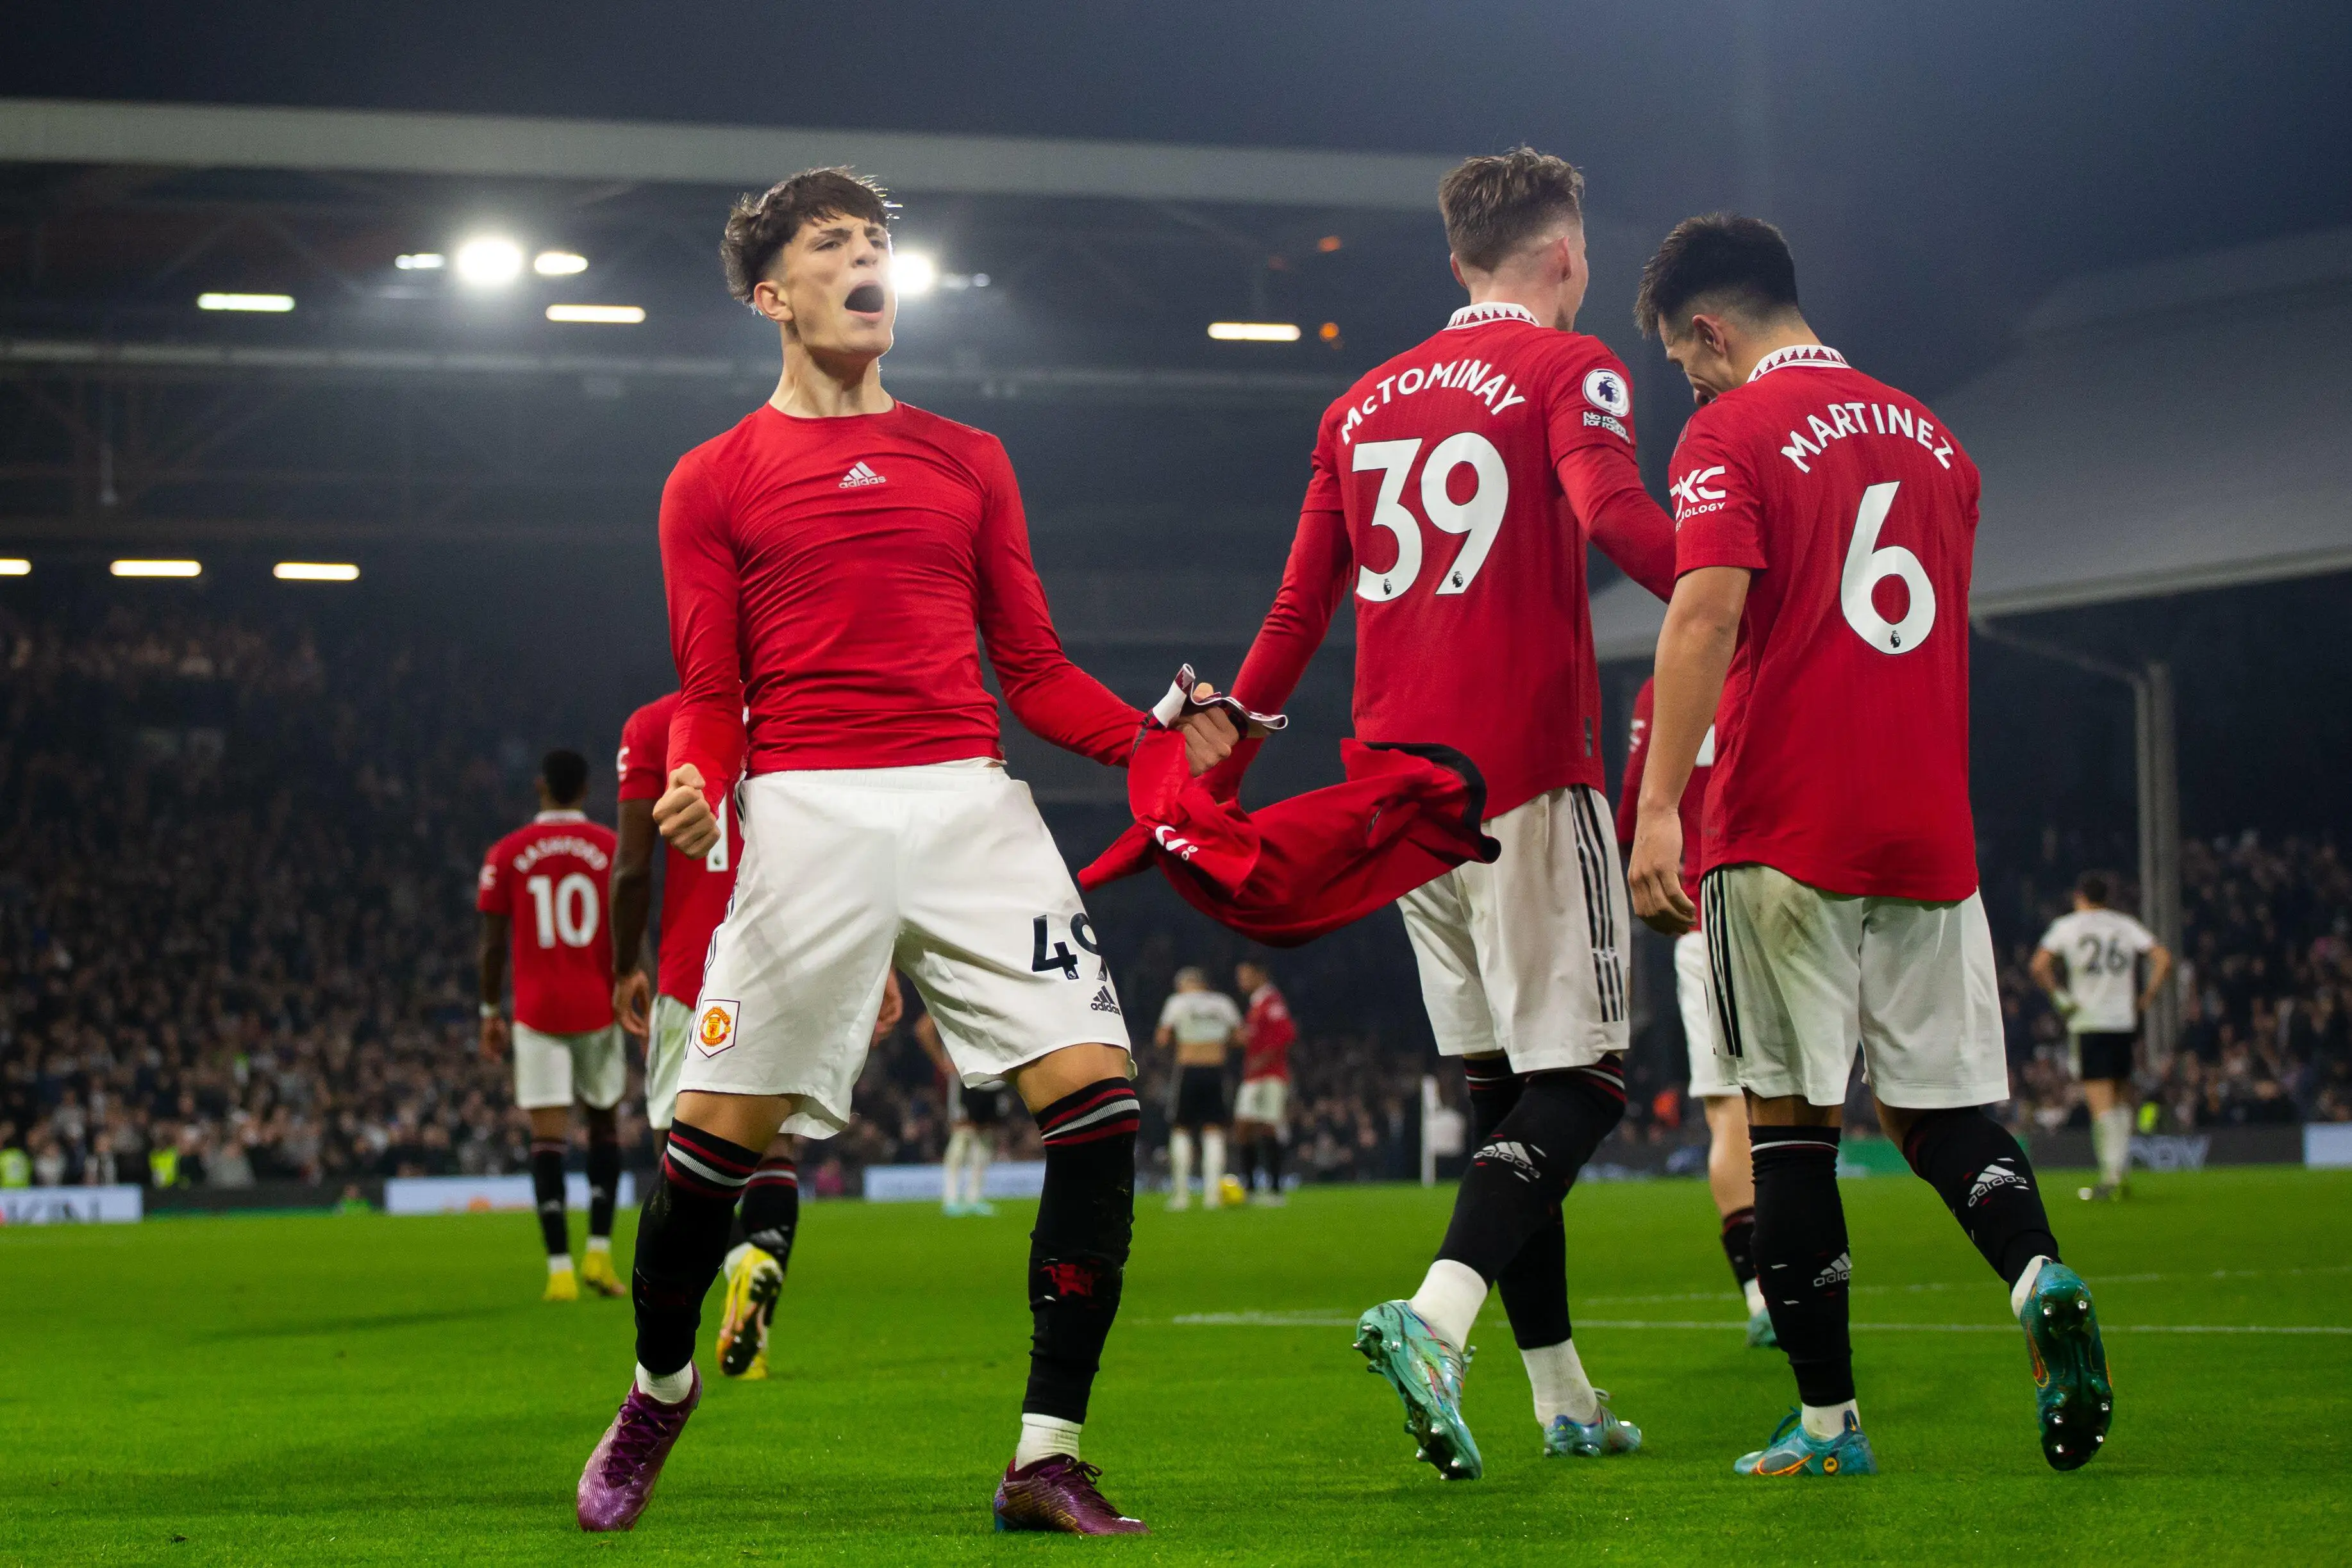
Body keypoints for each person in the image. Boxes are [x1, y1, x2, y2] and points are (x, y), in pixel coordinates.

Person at [574, 167, 1236, 1537]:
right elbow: (707, 687)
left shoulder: (967, 456)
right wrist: (700, 782)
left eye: (880, 242)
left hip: (968, 806)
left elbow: (1035, 668)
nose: (869, 261)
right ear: (772, 295)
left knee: (1102, 1104)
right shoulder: (711, 477)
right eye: (835, 246)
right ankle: (657, 1386)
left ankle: (1043, 1453)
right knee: (706, 1146)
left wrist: (1150, 745)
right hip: (809, 809)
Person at [1626, 213, 2112, 1479]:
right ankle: (2037, 1272)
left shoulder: (1725, 431)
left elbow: (1702, 614)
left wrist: (1661, 801)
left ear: (1709, 329)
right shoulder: (1937, 439)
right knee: (1941, 1111)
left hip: (1783, 818)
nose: (1692, 383)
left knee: (1787, 1119)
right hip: (1926, 827)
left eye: (1687, 361)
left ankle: (1829, 1424)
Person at [1230, 147, 1676, 1478]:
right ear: (1565, 254)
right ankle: (1435, 1318)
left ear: (1455, 261)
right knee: (1586, 1082)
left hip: (1397, 798)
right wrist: (1745, 579)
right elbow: (1616, 518)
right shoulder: (1571, 365)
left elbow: (1298, 614)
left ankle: (1561, 1393)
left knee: (1502, 1104)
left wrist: (1221, 759)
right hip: (1526, 774)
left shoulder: (1356, 404)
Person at [617, 690, 908, 1376]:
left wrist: (623, 961)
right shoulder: (805, 706)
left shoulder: (654, 724)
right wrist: (882, 956)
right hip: (794, 963)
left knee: (689, 1161)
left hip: (696, 970)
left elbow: (632, 866)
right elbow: (860, 847)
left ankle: (740, 1261)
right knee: (773, 1148)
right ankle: (754, 1334)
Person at [1615, 677, 1773, 1347]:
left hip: (1705, 915)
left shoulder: (1662, 690)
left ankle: (1763, 1294)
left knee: (1728, 1110)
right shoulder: (1783, 651)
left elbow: (1632, 812)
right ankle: (1811, 1278)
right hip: (1793, 898)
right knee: (1799, 1103)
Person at [477, 749, 626, 1303]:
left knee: (548, 1138)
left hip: (536, 1011)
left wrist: (490, 1011)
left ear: (541, 786)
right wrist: (635, 983)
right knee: (605, 1126)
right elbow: (628, 920)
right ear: (586, 789)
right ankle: (600, 1255)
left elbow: (493, 944)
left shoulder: (508, 852)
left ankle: (559, 1271)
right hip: (596, 1004)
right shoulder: (610, 848)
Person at [2031, 872, 2173, 1201]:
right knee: (2122, 1096)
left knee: (2100, 1101)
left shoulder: (2067, 926)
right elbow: (2163, 959)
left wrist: (2061, 998)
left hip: (2089, 1021)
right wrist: (2147, 997)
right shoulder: (2124, 925)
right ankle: (2121, 1173)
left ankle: (2110, 1176)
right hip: (2123, 1021)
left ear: (2079, 896)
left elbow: (2039, 966)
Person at [1155, 967, 1242, 1210]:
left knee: (1181, 1128)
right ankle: (1212, 1197)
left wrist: (1183, 1038)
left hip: (1189, 1069)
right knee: (1214, 1130)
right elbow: (1240, 1037)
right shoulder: (1223, 1003)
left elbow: (1162, 1038)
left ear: (1185, 984)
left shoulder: (1178, 1002)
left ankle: (1182, 1196)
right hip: (1216, 1070)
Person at [916, 1007, 1008, 1216]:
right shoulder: (955, 995)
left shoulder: (992, 997)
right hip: (966, 1076)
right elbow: (923, 1029)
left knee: (985, 1137)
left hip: (995, 1079)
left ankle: (974, 1198)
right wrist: (941, 1062)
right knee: (963, 1134)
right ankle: (950, 1198)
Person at [1230, 959, 1296, 1205]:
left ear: (1260, 974)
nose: (1241, 980)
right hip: (1254, 1076)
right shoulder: (1256, 1004)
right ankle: (1250, 1187)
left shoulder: (1272, 1001)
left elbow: (1286, 1034)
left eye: (1245, 975)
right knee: (1244, 1128)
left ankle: (1276, 1190)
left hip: (1270, 1075)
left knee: (1267, 1126)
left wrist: (1261, 1059)